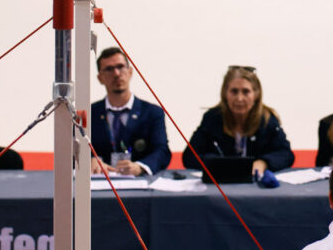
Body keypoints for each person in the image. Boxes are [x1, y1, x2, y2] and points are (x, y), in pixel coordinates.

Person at [183, 65, 294, 177]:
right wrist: (219, 163)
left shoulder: (267, 120)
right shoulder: (212, 118)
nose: (239, 98)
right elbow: (189, 157)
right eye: (234, 91)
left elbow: (286, 154)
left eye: (246, 92)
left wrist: (263, 163)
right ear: (225, 94)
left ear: (256, 94)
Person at [91, 47, 171, 176]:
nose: (116, 73)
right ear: (100, 78)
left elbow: (162, 151)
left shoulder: (152, 113)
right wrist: (89, 161)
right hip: (99, 183)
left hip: (139, 184)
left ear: (130, 72)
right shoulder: (89, 114)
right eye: (109, 69)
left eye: (120, 67)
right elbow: (71, 152)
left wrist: (140, 166)